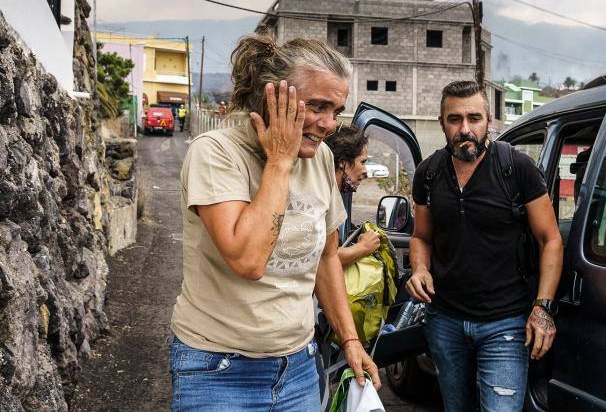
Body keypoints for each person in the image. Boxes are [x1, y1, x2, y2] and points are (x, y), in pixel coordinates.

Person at [170, 33, 380, 411]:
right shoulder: (217, 153)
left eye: (336, 110)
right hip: (218, 369)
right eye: (317, 106)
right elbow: (248, 260)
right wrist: (280, 161)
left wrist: (350, 340)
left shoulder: (319, 159)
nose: (330, 123)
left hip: (298, 367)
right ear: (273, 96)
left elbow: (327, 257)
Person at [406, 80, 563, 411]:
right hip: (445, 320)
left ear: (488, 121)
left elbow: (550, 239)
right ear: (442, 123)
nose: (465, 129)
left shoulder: (516, 168)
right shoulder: (429, 174)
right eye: (454, 119)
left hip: (505, 324)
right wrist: (419, 268)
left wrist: (543, 307)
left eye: (474, 118)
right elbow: (421, 237)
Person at [324, 125, 381, 267]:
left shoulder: (330, 193)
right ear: (343, 162)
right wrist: (363, 247)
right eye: (362, 162)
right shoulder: (323, 197)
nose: (365, 171)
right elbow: (325, 258)